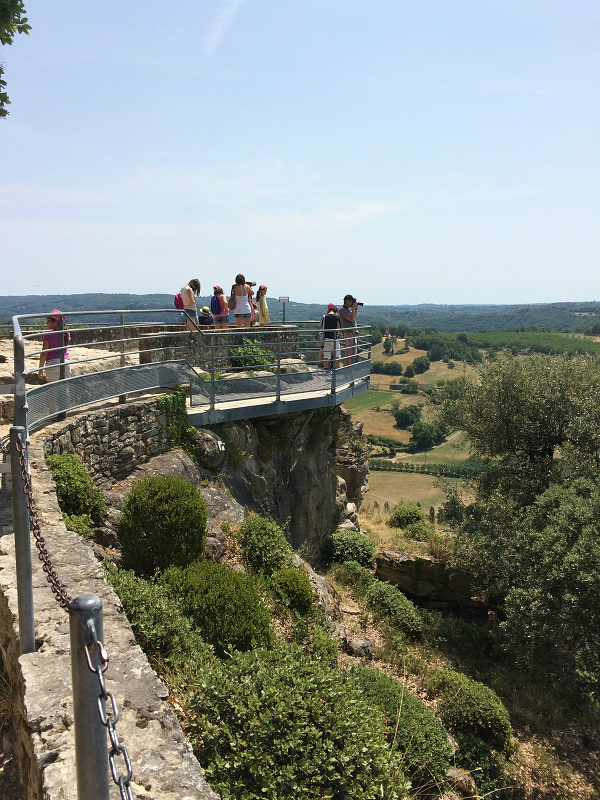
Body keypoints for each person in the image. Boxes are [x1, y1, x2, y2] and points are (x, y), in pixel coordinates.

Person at [38, 310, 72, 383]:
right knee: (66, 388)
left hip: (53, 363)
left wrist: (40, 369)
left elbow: (44, 353)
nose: (46, 322)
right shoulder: (66, 333)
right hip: (66, 362)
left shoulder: (48, 335)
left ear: (55, 322)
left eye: (49, 320)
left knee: (52, 391)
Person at [320, 303, 341, 369]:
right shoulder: (336, 317)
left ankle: (326, 367)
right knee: (337, 354)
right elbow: (339, 327)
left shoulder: (325, 317)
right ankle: (337, 368)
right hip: (334, 338)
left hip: (326, 338)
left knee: (326, 354)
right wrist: (339, 335)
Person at [339, 294, 358, 365]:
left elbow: (353, 316)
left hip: (351, 333)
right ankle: (350, 370)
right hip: (349, 333)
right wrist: (353, 308)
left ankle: (347, 368)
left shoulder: (347, 310)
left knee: (349, 352)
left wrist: (355, 309)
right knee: (350, 353)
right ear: (346, 301)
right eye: (351, 301)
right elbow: (351, 319)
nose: (352, 303)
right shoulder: (342, 310)